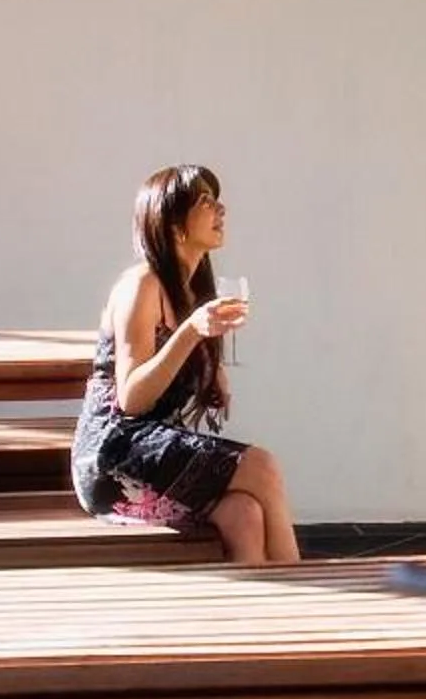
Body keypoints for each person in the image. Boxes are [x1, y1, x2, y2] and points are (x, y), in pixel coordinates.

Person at [72, 163, 301, 564]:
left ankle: (255, 603)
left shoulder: (191, 290)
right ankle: (300, 584)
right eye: (206, 202)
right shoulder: (142, 285)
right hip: (115, 458)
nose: (221, 210)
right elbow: (131, 399)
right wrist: (191, 331)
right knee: (262, 467)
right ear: (174, 222)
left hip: (152, 449)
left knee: (245, 514)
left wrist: (212, 372)